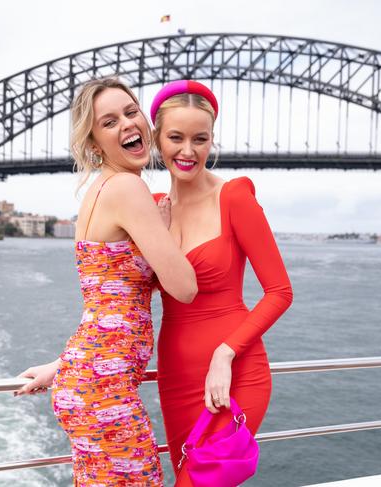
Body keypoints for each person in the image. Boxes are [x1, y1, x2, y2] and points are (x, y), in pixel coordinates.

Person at [16, 78, 197, 486]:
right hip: (103, 392)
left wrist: (64, 366)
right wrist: (166, 233)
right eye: (109, 121)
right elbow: (185, 287)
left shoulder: (98, 190)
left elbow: (108, 303)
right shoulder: (128, 188)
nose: (127, 125)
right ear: (95, 142)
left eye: (131, 112)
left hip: (86, 380)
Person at [150, 80, 294, 485]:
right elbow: (121, 299)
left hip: (233, 372)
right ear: (157, 137)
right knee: (183, 472)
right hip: (175, 374)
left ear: (212, 140)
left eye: (201, 139)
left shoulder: (233, 197)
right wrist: (67, 363)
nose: (188, 151)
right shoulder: (154, 209)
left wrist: (225, 353)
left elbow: (280, 292)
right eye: (176, 137)